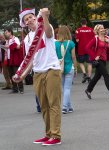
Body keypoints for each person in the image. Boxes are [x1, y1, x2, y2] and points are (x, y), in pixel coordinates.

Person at [13, 8, 62, 145]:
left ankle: (56, 136)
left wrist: (45, 16)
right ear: (24, 23)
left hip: (52, 69)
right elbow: (30, 59)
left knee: (53, 104)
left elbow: (49, 33)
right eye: (26, 19)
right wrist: (21, 75)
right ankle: (48, 134)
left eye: (30, 17)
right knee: (44, 106)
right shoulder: (28, 38)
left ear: (35, 17)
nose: (29, 20)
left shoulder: (45, 26)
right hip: (37, 72)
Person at [85, 24, 109, 99]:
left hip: (104, 59)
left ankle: (88, 90)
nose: (103, 29)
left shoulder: (107, 38)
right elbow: (87, 48)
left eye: (103, 28)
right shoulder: (95, 39)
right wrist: (94, 57)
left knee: (97, 77)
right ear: (97, 31)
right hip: (98, 60)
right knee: (106, 75)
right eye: (101, 28)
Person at [55, 25, 77, 114]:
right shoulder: (71, 43)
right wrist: (75, 68)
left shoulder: (55, 43)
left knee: (64, 88)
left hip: (59, 68)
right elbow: (73, 57)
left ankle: (69, 106)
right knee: (67, 88)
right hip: (69, 67)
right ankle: (64, 107)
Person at [4, 28, 24, 94]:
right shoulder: (7, 40)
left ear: (10, 32)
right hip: (9, 58)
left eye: (6, 32)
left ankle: (21, 88)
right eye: (5, 32)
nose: (5, 33)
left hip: (15, 59)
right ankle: (14, 88)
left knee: (16, 73)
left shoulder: (15, 39)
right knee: (11, 74)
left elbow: (18, 46)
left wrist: (9, 46)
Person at [75, 18, 94, 83]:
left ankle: (84, 73)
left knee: (81, 62)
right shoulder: (91, 30)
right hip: (89, 49)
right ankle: (89, 77)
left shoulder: (78, 30)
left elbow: (77, 40)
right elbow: (93, 39)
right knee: (89, 63)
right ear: (86, 22)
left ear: (81, 23)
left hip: (81, 49)